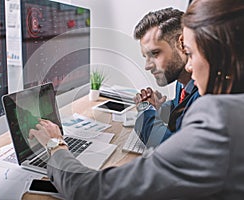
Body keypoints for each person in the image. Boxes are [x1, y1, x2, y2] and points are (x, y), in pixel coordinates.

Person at [29, 0, 244, 199]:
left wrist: (55, 145)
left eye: (191, 52)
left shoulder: (219, 118)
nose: (189, 64)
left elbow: (96, 190)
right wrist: (162, 108)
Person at [132, 8, 200, 147]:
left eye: (155, 53)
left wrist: (146, 110)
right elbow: (179, 107)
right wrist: (160, 108)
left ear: (182, 44)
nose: (147, 66)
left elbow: (171, 146)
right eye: (146, 57)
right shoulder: (182, 83)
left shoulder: (204, 93)